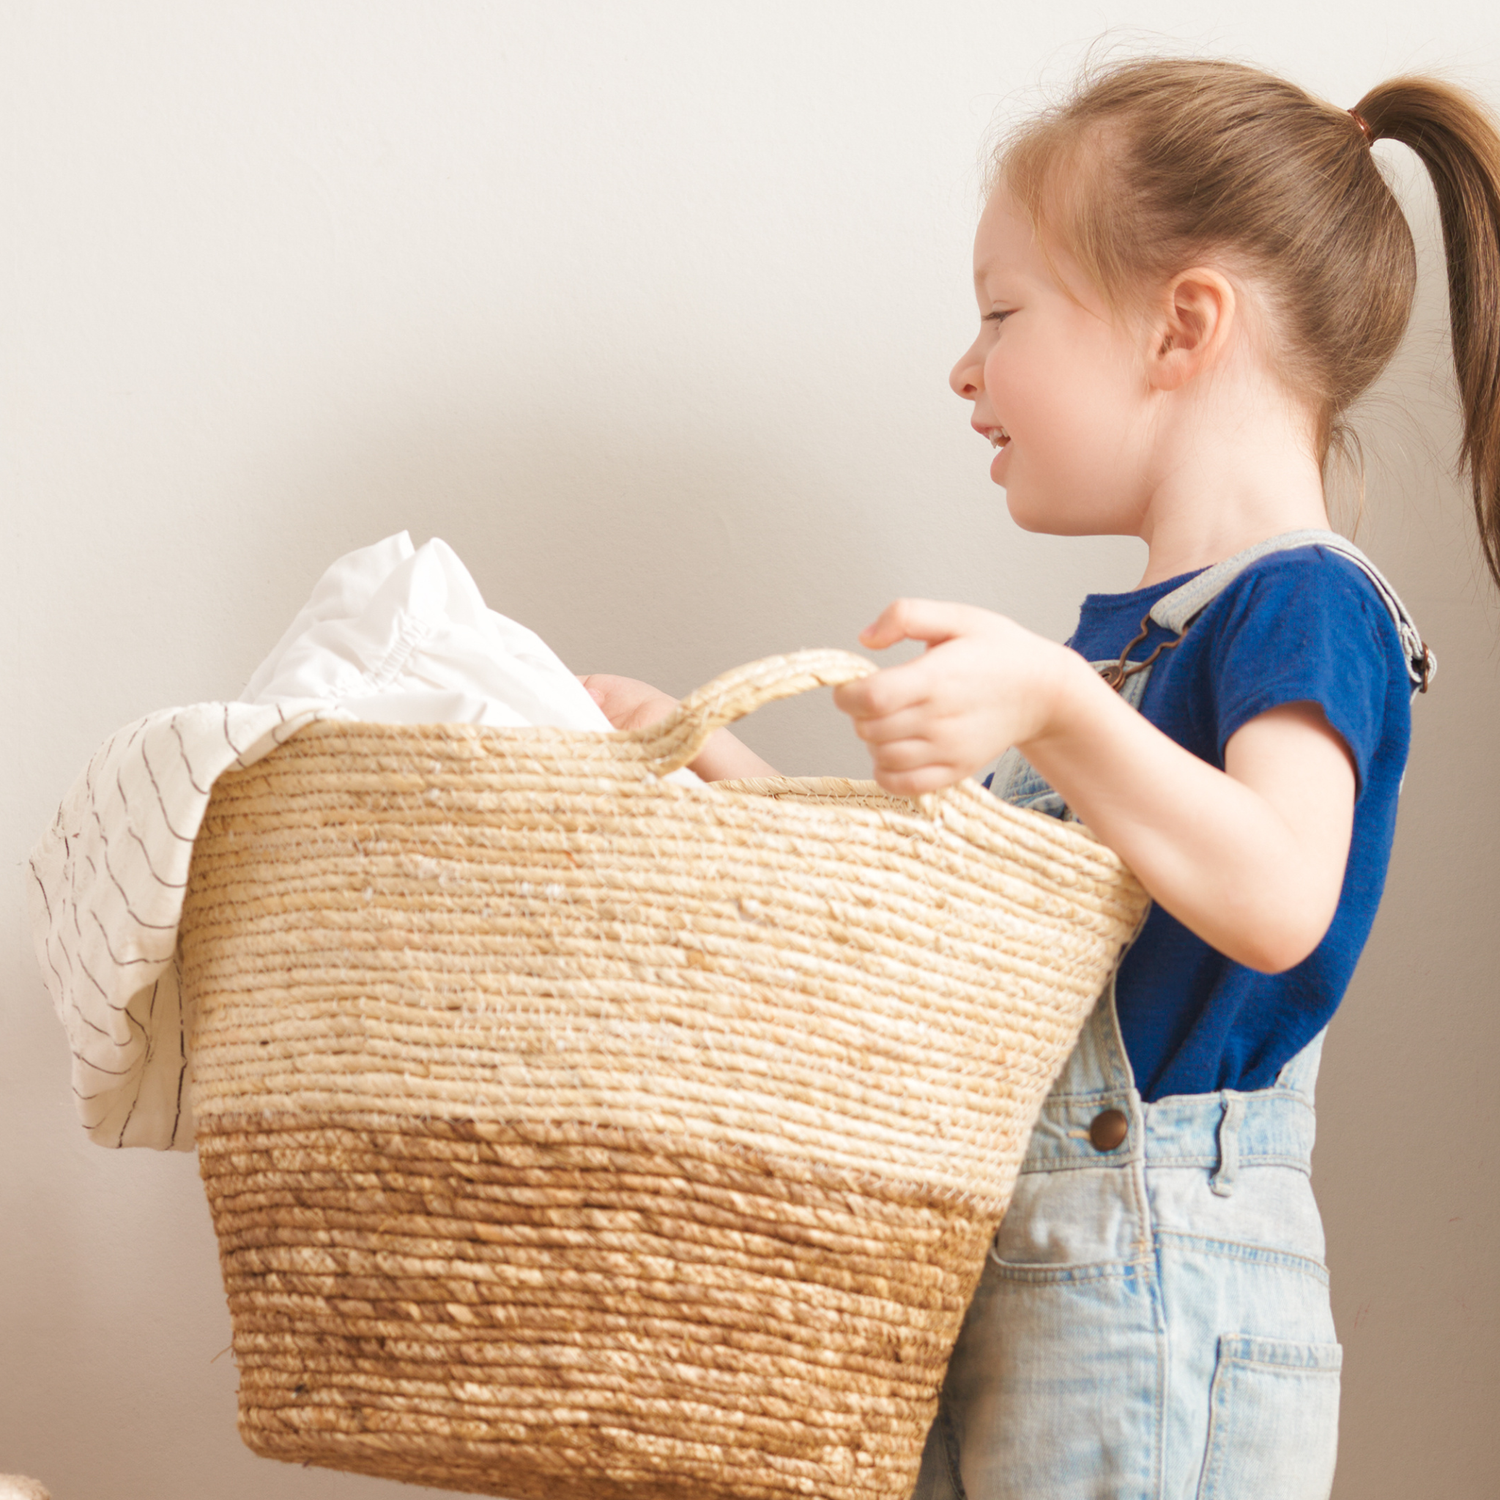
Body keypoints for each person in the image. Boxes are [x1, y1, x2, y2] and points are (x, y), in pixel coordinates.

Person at [584, 57, 1500, 1500]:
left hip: (1160, 1288)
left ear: (1183, 325)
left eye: (1002, 312)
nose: (965, 367)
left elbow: (1282, 898)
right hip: (1030, 1277)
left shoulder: (1304, 604)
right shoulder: (1117, 652)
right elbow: (954, 950)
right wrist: (716, 767)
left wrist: (1060, 702)